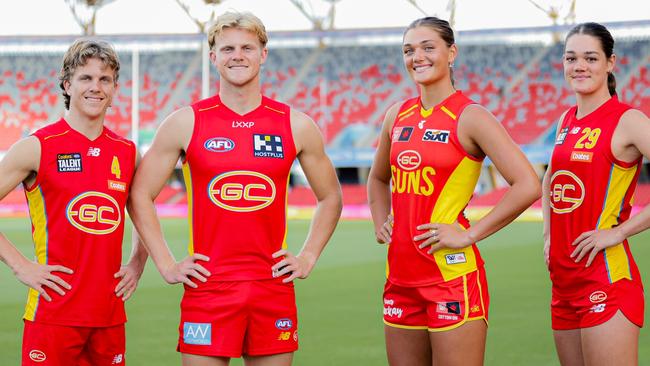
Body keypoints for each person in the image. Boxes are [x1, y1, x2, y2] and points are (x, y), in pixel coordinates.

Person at [128, 11, 342, 366]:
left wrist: (307, 256)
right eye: (227, 49)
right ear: (213, 58)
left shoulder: (296, 124)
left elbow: (331, 196)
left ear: (263, 54)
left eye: (247, 47)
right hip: (208, 287)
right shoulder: (186, 122)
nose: (237, 55)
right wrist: (166, 263)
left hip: (271, 286)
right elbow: (139, 194)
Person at [367, 17, 541, 366]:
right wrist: (379, 221)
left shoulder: (470, 116)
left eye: (428, 47)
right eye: (409, 50)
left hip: (451, 277)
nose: (417, 56)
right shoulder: (396, 115)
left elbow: (528, 184)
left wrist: (470, 234)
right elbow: (377, 179)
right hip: (399, 277)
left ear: (452, 53)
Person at [0, 39, 147, 365]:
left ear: (114, 88)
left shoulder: (128, 152)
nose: (96, 87)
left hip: (109, 317)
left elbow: (144, 213)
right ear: (67, 83)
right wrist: (21, 265)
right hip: (51, 316)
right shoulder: (37, 146)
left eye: (104, 79)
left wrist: (138, 260)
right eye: (86, 78)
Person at [542, 22, 649, 366]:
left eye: (590, 57)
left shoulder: (628, 120)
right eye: (571, 58)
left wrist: (618, 232)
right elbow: (550, 181)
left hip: (606, 278)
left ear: (610, 63)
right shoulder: (565, 120)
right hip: (563, 281)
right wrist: (548, 235)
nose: (579, 66)